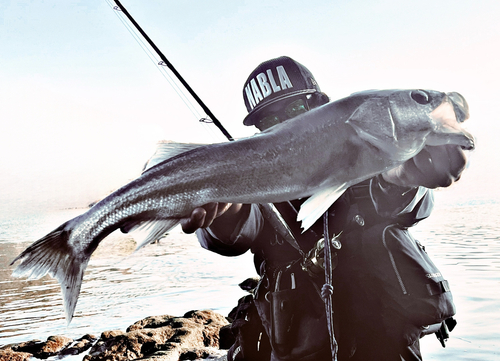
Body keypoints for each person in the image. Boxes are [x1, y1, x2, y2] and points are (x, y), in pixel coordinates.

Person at [180, 56, 468, 361]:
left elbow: (403, 204)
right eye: (269, 121)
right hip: (298, 345)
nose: (286, 125)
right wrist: (223, 214)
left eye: (294, 110)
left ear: (321, 107)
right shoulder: (256, 185)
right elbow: (234, 234)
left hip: (385, 343)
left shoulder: (369, 156)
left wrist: (406, 179)